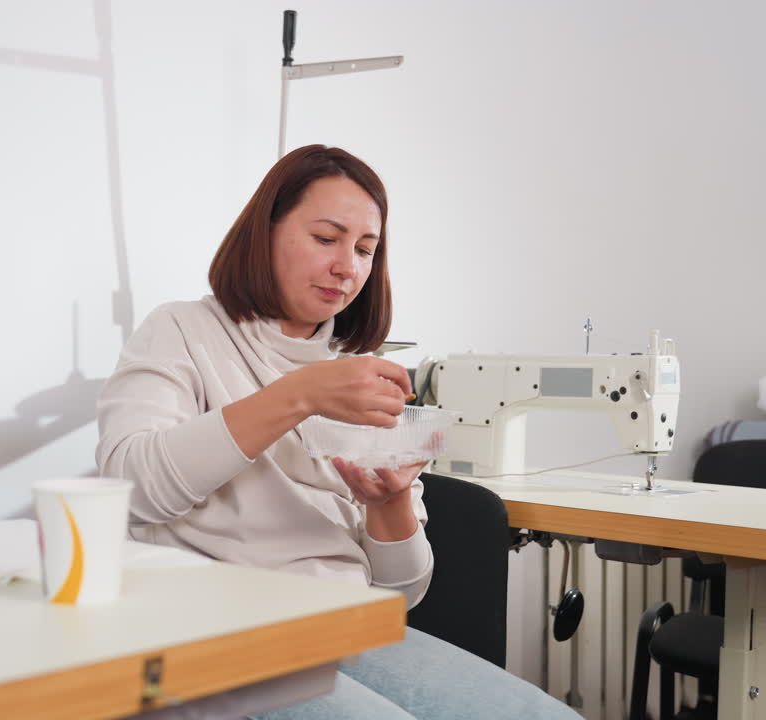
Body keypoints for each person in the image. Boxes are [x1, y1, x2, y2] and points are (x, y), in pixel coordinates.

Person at [95, 145, 580, 719]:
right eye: (327, 238)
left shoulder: (357, 372)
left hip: (344, 628)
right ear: (265, 232)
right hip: (216, 629)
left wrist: (391, 502)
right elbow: (131, 486)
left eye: (365, 249)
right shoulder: (183, 331)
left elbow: (399, 596)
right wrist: (299, 395)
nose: (347, 266)